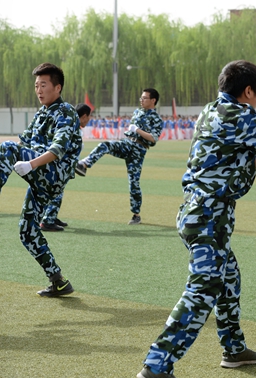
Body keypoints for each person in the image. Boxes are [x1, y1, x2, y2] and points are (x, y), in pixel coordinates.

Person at [137, 60, 256, 378]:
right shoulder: (243, 115)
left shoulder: (210, 110)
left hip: (195, 211)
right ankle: (158, 364)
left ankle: (233, 348)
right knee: (205, 287)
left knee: (229, 276)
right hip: (210, 215)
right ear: (248, 91)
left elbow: (233, 152)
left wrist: (255, 159)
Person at [0, 62, 81, 296]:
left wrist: (30, 164)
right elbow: (23, 142)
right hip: (41, 176)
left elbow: (57, 149)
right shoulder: (42, 113)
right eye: (36, 85)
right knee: (27, 231)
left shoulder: (66, 111)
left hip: (52, 173)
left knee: (7, 148)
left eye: (43, 85)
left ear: (58, 87)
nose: (38, 90)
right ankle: (59, 282)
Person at [75, 88, 163, 225]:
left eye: (145, 98)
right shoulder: (137, 112)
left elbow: (153, 138)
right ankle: (84, 164)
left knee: (134, 183)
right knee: (106, 145)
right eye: (141, 97)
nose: (141, 100)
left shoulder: (157, 119)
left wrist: (137, 130)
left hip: (139, 149)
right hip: (127, 143)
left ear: (153, 100)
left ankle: (136, 214)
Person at [39, 103, 91, 232]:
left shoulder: (71, 125)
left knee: (56, 191)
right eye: (89, 116)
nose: (89, 119)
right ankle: (47, 221)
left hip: (62, 165)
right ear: (84, 116)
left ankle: (51, 216)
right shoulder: (72, 127)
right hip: (60, 165)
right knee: (56, 192)